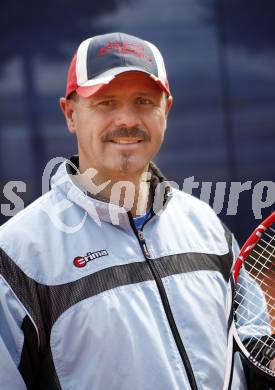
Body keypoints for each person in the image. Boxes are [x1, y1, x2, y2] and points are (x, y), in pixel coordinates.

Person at [0, 32, 272, 390]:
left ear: (166, 110)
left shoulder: (206, 226)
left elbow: (254, 348)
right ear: (70, 114)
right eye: (106, 103)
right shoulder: (19, 255)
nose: (127, 120)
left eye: (144, 101)